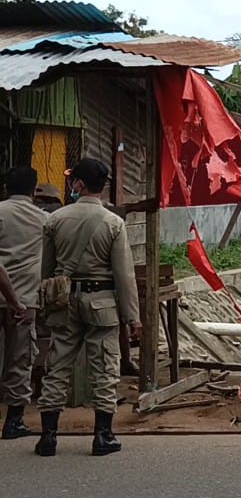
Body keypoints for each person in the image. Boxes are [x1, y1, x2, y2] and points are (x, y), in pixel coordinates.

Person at [35, 158, 141, 457]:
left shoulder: (55, 219)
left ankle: (48, 437)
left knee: (57, 367)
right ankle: (102, 436)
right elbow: (124, 275)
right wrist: (132, 317)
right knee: (104, 368)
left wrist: (47, 302)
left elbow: (47, 270)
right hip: (102, 302)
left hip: (64, 301)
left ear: (78, 184)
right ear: (102, 186)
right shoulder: (113, 223)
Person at [0, 167, 47, 439]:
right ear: (33, 190)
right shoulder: (43, 219)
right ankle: (14, 421)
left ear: (6, 188)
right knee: (19, 359)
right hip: (25, 301)